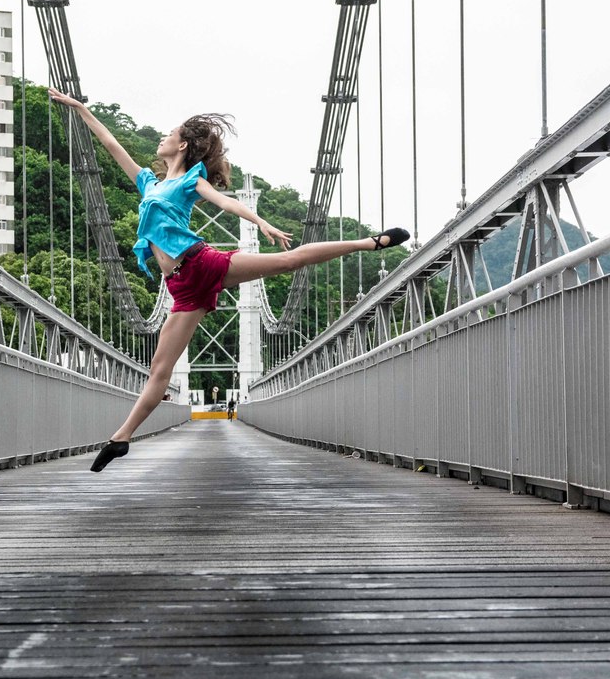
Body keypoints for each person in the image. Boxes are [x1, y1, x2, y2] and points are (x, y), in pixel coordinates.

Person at [48, 87, 409, 472]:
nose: (161, 138)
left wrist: (259, 220)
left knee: (286, 262)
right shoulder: (148, 183)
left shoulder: (189, 182)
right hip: (181, 289)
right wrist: (79, 108)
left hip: (202, 264)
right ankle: (121, 439)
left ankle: (370, 242)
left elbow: (226, 203)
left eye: (168, 135)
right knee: (159, 370)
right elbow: (110, 143)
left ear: (182, 145)